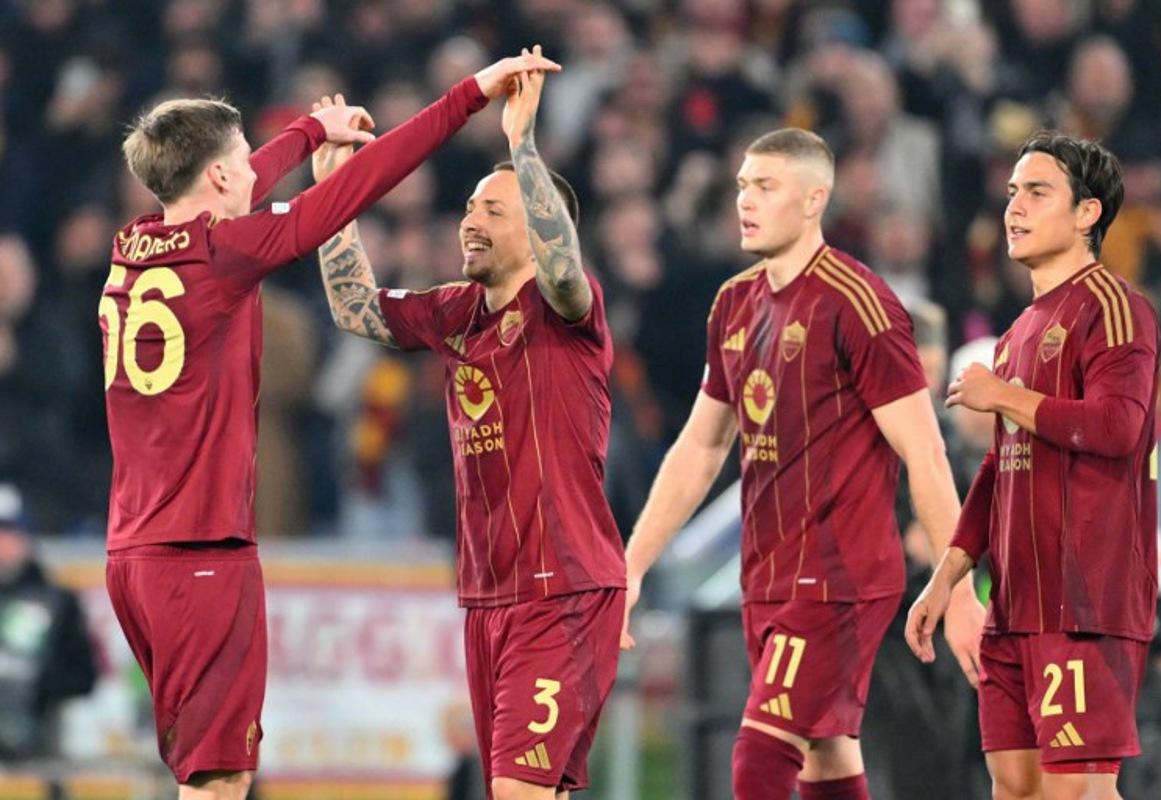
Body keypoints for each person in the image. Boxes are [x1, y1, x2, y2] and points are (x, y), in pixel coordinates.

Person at [101, 50, 559, 800]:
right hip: (198, 555)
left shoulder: (132, 248)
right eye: (244, 160)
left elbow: (235, 190)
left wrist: (313, 130)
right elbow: (363, 184)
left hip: (134, 553)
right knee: (218, 783)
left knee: (205, 772)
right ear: (217, 177)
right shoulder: (226, 255)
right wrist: (470, 94)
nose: (254, 169)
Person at [622, 127, 985, 800]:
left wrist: (957, 590)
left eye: (766, 187)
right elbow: (701, 447)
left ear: (814, 200)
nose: (745, 201)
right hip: (767, 574)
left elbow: (926, 453)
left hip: (839, 576)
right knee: (827, 757)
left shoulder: (861, 304)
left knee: (759, 759)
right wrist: (633, 564)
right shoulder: (734, 303)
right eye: (741, 187)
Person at [311, 47, 624, 800]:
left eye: (493, 209)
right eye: (469, 208)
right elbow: (355, 309)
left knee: (516, 792)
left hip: (564, 588)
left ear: (540, 227)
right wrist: (333, 199)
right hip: (490, 593)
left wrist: (521, 146)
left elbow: (562, 268)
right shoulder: (453, 313)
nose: (470, 220)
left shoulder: (565, 308)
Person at [906, 131, 1159, 800]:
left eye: (1037, 191)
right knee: (1015, 788)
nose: (1014, 206)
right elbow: (1000, 469)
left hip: (1084, 601)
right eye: (1013, 191)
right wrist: (948, 578)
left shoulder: (1115, 307)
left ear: (1087, 213)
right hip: (1014, 604)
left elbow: (1119, 426)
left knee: (1076, 793)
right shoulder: (1020, 329)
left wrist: (1003, 395)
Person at [0, 482, 97, 761]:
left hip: (35, 749)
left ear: (26, 537)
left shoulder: (57, 600)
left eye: (9, 532)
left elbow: (84, 676)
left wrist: (34, 682)